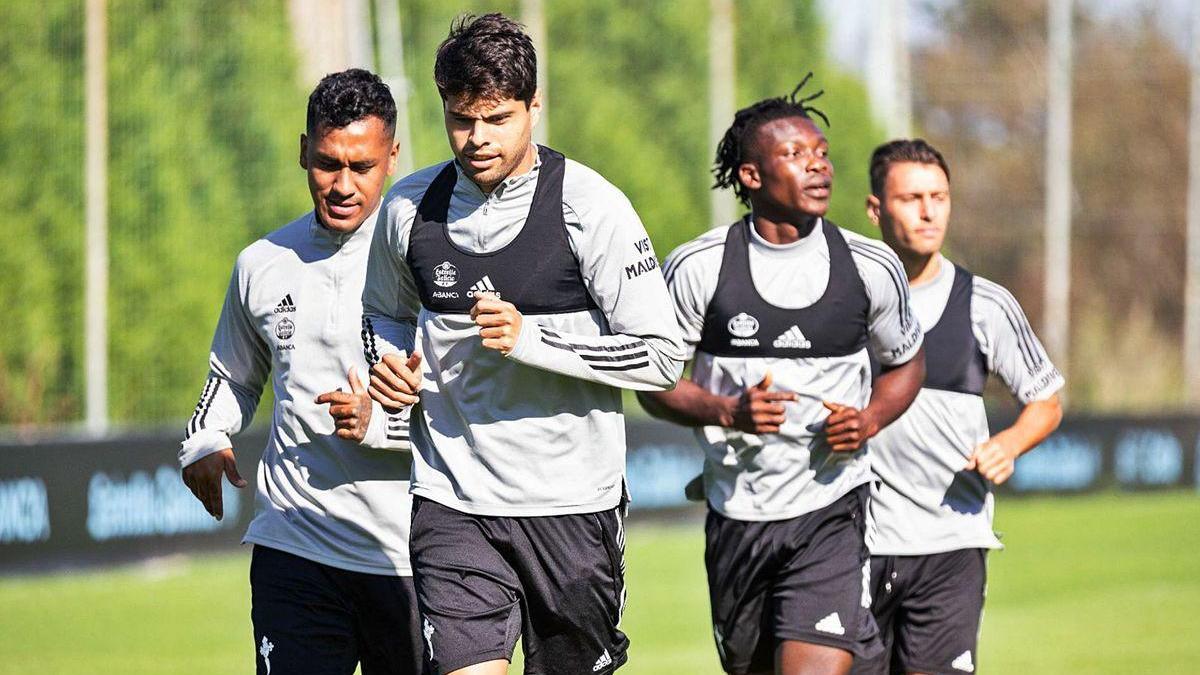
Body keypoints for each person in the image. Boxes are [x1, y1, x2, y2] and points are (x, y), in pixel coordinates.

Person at [360, 13, 686, 675]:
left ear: (535, 107)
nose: (477, 137)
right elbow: (382, 312)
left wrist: (535, 338)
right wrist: (387, 365)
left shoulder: (591, 207)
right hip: (454, 501)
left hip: (572, 509)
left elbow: (662, 354)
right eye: (460, 118)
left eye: (498, 118)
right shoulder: (407, 208)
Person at [637, 78, 926, 675]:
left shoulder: (870, 267)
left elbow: (906, 363)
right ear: (751, 177)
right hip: (737, 515)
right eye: (795, 156)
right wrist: (728, 411)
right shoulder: (698, 268)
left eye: (821, 154)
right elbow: (653, 385)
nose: (818, 167)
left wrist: (869, 418)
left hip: (831, 507)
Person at [179, 69, 426, 675]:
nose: (343, 184)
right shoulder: (262, 265)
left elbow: (471, 403)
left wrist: (380, 422)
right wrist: (207, 439)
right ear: (303, 152)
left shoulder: (432, 260)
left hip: (412, 553)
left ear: (392, 156)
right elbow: (233, 376)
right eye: (326, 163)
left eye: (361, 166)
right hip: (295, 545)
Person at [851, 139, 1064, 675]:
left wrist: (1008, 444)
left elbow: (1045, 401)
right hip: (852, 545)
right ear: (876, 209)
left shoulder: (986, 304)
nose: (928, 211)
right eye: (911, 198)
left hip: (950, 545)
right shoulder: (843, 300)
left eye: (939, 197)